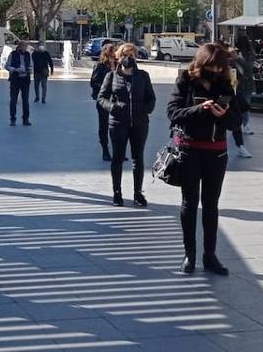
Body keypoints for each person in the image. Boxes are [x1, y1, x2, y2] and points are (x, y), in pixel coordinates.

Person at [168, 43, 241, 275]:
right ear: (201, 63)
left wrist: (225, 114)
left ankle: (210, 255)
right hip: (190, 150)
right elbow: (173, 113)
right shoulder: (185, 80)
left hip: (216, 152)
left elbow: (237, 122)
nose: (218, 70)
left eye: (221, 66)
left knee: (211, 204)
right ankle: (189, 255)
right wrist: (199, 108)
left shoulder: (225, 84)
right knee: (189, 203)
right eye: (213, 66)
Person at [97, 43, 157, 208]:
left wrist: (146, 109)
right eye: (125, 55)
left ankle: (138, 193)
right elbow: (101, 98)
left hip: (140, 123)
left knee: (138, 159)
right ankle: (117, 193)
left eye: (132, 55)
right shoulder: (111, 76)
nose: (128, 59)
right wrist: (113, 108)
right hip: (118, 124)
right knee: (117, 158)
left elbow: (151, 97)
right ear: (118, 56)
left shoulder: (143, 76)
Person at [90, 43, 118, 162]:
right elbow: (93, 82)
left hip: (117, 100)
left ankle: (118, 151)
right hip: (104, 100)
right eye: (111, 51)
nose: (113, 53)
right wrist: (105, 87)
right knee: (104, 126)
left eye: (114, 51)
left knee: (117, 126)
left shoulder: (118, 66)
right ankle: (105, 151)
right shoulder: (100, 66)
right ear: (106, 52)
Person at [229, 34, 255, 158]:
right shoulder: (231, 55)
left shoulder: (249, 54)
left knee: (244, 107)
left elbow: (248, 69)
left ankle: (245, 125)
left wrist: (237, 58)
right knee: (237, 113)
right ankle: (240, 142)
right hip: (235, 88)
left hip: (244, 86)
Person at [5, 41, 34, 126]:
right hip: (15, 79)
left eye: (26, 47)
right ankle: (13, 119)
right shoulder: (12, 54)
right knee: (13, 100)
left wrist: (29, 70)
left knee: (25, 100)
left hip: (25, 79)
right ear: (19, 47)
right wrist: (15, 69)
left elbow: (31, 65)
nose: (25, 49)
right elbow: (7, 66)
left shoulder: (28, 55)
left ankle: (26, 119)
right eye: (24, 47)